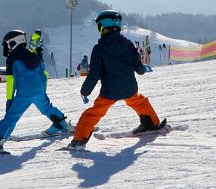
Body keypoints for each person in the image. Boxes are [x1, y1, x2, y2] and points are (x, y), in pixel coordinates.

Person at [68, 10, 166, 150]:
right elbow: (138, 68)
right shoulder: (128, 44)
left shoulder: (99, 49)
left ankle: (78, 140)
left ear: (102, 27)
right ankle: (151, 123)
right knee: (139, 101)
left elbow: (94, 74)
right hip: (129, 88)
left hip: (109, 91)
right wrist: (144, 69)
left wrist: (85, 91)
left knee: (93, 113)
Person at [0, 30, 69, 151]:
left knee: (11, 116)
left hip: (24, 93)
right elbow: (43, 75)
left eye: (8, 44)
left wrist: (10, 99)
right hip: (39, 89)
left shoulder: (12, 59)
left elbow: (11, 81)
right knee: (46, 108)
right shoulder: (33, 55)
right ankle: (61, 124)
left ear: (14, 42)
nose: (7, 48)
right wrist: (43, 92)